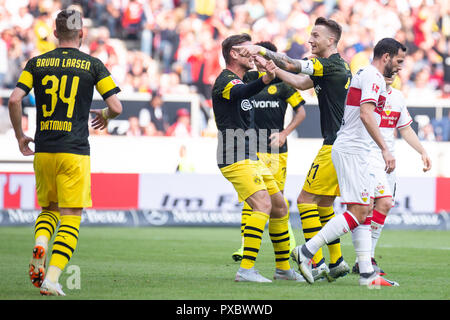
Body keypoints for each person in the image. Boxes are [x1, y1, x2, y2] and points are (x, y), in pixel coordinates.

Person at [9, 9, 122, 296]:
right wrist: (106, 116)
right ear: (82, 34)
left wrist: (21, 136)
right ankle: (52, 279)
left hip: (44, 150)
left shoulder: (36, 62)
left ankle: (41, 243)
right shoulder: (93, 64)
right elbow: (118, 107)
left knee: (49, 209)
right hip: (74, 151)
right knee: (71, 216)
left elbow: (14, 99)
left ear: (56, 33)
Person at [233, 17, 351, 281]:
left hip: (335, 144)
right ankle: (336, 261)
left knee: (304, 201)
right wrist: (271, 68)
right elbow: (299, 82)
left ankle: (315, 261)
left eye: (315, 36)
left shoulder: (327, 64)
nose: (310, 40)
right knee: (325, 204)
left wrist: (262, 51)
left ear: (330, 40)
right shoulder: (338, 66)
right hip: (345, 143)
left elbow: (292, 66)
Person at [289, 38, 406, 287]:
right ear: (386, 56)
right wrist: (385, 148)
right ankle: (306, 252)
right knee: (359, 211)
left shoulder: (367, 74)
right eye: (398, 61)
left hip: (358, 150)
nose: (400, 67)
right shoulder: (373, 77)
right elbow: (365, 114)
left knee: (366, 209)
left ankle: (367, 274)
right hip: (353, 149)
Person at [212, 33, 302, 282]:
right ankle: (246, 269)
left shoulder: (240, 79)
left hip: (249, 155)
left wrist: (270, 73)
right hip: (233, 155)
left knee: (279, 206)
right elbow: (242, 93)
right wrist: (266, 78)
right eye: (246, 50)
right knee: (262, 204)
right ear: (233, 53)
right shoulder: (225, 80)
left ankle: (283, 269)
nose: (252, 54)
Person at [231, 41, 306, 263]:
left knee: (277, 202)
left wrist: (284, 134)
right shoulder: (248, 81)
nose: (258, 62)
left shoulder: (283, 84)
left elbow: (301, 112)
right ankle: (246, 246)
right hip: (251, 149)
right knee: (250, 198)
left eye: (261, 57)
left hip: (276, 152)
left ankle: (289, 247)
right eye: (255, 59)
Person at [352, 76, 432, 275]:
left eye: (398, 65)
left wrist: (422, 151)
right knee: (367, 207)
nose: (394, 71)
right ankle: (363, 259)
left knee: (384, 205)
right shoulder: (367, 93)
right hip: (366, 157)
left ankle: (364, 259)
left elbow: (405, 129)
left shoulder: (397, 97)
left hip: (388, 162)